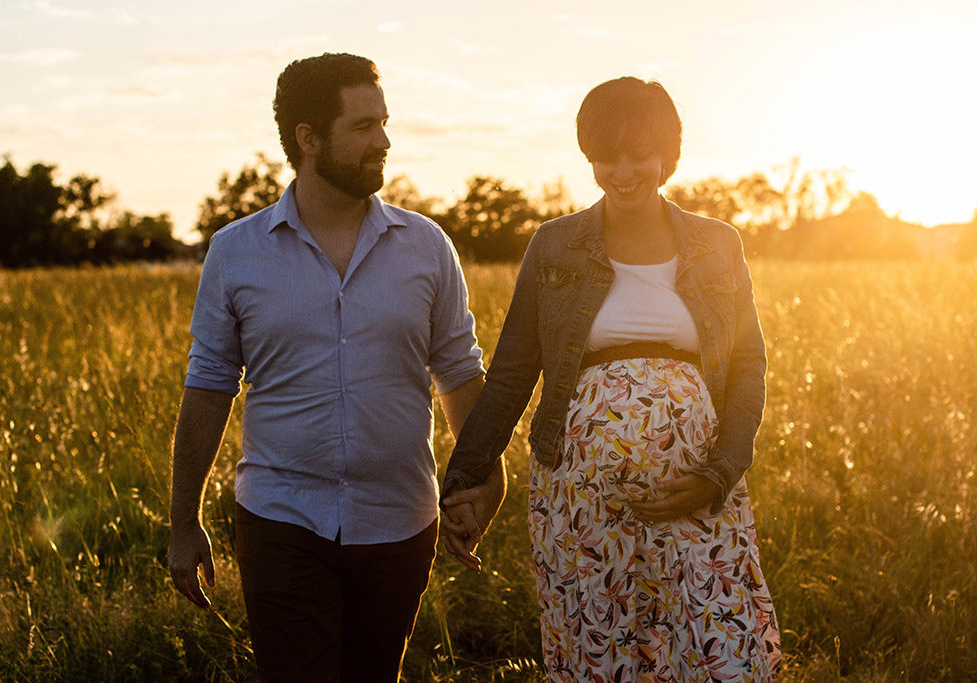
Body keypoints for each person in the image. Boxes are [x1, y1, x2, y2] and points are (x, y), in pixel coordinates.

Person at [440, 77, 781, 681]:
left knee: (721, 654)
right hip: (580, 500)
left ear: (667, 156)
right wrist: (465, 478)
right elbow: (515, 371)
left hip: (697, 492)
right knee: (602, 656)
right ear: (588, 155)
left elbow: (749, 364)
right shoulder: (555, 246)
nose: (623, 171)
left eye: (638, 155)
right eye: (607, 156)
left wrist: (719, 471)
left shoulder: (717, 244)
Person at [167, 52, 485, 682]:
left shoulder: (426, 246)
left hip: (400, 522)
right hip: (282, 519)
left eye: (384, 123)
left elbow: (458, 369)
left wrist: (481, 476)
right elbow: (208, 388)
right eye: (363, 127)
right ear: (308, 139)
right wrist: (184, 522)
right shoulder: (235, 253)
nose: (383, 142)